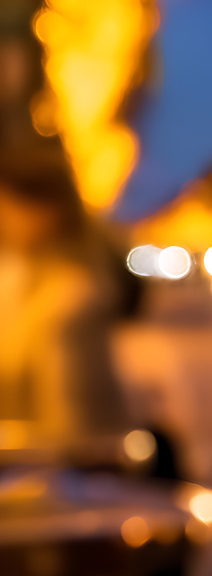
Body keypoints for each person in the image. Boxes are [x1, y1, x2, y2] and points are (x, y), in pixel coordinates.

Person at [0, 154, 130, 452]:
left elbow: (72, 422)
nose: (3, 219)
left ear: (47, 211)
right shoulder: (28, 280)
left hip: (57, 475)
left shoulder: (70, 299)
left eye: (8, 207)